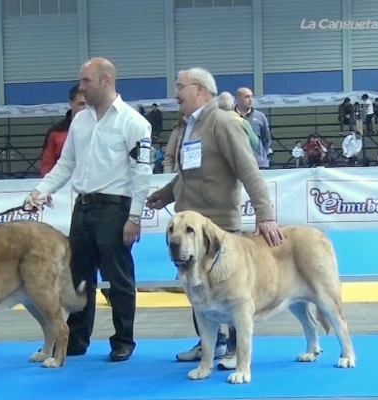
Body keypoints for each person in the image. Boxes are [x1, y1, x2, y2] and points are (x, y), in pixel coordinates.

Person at [146, 67, 283, 371]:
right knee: (198, 288)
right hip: (190, 228)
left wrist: (266, 216)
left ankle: (235, 347)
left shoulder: (222, 123)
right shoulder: (187, 128)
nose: (175, 93)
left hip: (220, 228)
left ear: (200, 90)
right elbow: (188, 175)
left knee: (230, 291)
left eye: (179, 86)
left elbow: (249, 170)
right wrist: (165, 195)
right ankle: (210, 343)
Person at [24, 57, 153, 362]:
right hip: (82, 209)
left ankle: (123, 340)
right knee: (80, 278)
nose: (81, 88)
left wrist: (134, 218)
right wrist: (40, 191)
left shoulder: (134, 122)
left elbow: (142, 173)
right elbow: (65, 165)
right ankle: (78, 338)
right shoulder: (79, 121)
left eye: (86, 81)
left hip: (115, 209)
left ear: (106, 81)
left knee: (119, 279)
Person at [39, 84, 86, 176]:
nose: (85, 108)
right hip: (61, 185)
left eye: (88, 104)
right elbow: (47, 164)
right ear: (71, 103)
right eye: (81, 104)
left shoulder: (99, 128)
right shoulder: (55, 131)